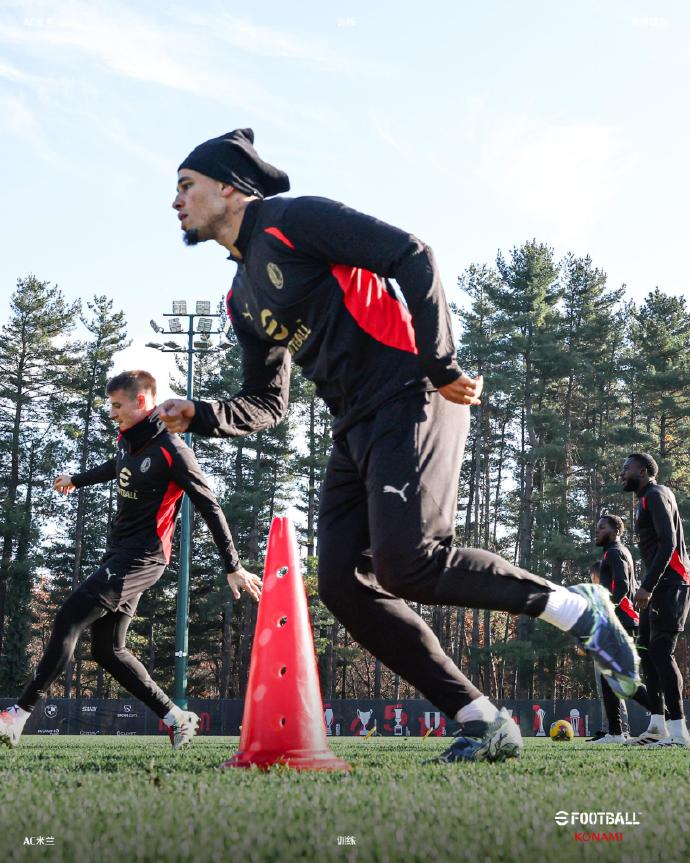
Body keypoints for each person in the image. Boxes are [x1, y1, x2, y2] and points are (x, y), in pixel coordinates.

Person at [158, 128, 640, 762]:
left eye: (185, 185)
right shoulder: (239, 297)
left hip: (412, 392)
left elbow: (411, 253)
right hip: (354, 427)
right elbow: (268, 403)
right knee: (342, 585)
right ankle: (481, 719)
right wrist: (201, 414)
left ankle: (577, 610)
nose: (176, 202)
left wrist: (439, 362)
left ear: (228, 187)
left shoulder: (292, 220)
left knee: (411, 562)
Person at [0, 370, 261, 751]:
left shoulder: (173, 449)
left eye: (117, 405)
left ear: (141, 401)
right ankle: (177, 718)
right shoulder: (127, 439)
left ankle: (17, 716)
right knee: (108, 650)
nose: (112, 412)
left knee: (69, 617)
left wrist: (232, 565)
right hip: (119, 553)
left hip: (143, 558)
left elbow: (210, 505)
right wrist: (77, 478)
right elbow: (116, 466)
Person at [621, 453, 690, 747]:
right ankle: (657, 726)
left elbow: (669, 542)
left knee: (662, 652)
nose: (622, 473)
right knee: (647, 653)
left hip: (670, 583)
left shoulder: (655, 494)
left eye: (627, 468)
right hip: (658, 584)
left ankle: (679, 731)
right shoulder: (646, 498)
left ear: (644, 471)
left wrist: (647, 586)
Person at [590, 517, 638, 744]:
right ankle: (615, 732)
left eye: (602, 527)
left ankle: (665, 718)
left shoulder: (614, 552)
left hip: (621, 621)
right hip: (623, 621)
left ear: (616, 530)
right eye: (597, 527)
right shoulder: (616, 552)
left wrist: (607, 610)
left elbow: (623, 585)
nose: (597, 531)